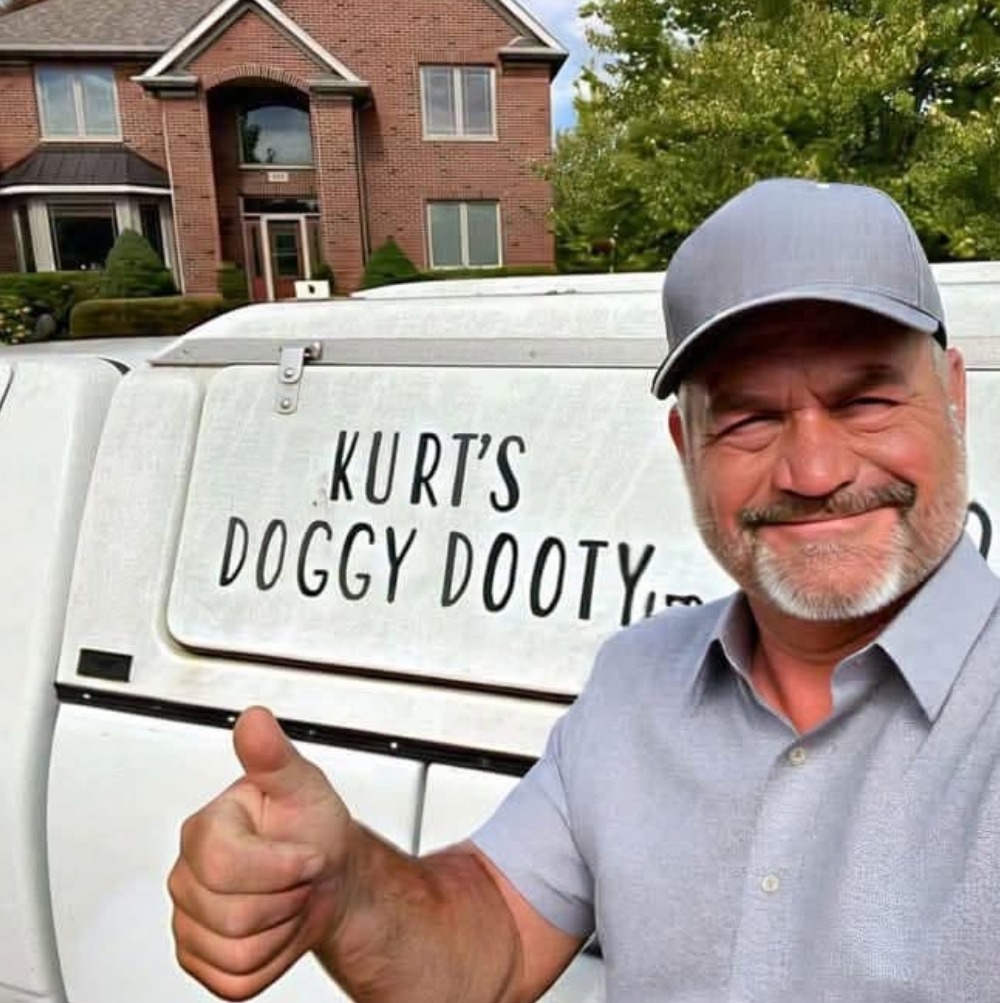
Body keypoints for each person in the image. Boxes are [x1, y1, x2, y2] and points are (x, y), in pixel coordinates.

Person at [168, 178, 1000, 1002]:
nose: (814, 471)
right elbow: (485, 944)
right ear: (687, 446)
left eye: (867, 401)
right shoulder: (635, 682)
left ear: (953, 398)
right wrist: (343, 888)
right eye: (750, 418)